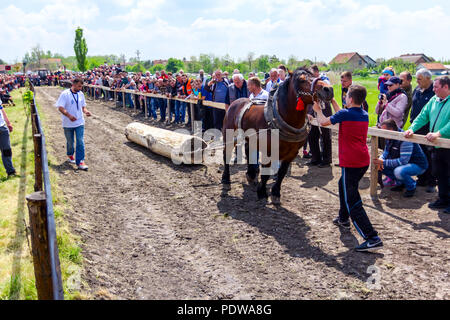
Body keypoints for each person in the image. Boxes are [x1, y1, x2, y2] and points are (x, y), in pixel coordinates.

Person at [314, 84, 383, 252]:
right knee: (342, 186)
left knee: (352, 199)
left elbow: (323, 122)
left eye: (346, 97)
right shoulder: (363, 114)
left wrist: (317, 109)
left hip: (351, 162)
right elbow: (341, 114)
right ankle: (343, 218)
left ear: (350, 99)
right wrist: (333, 100)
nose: (345, 99)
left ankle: (372, 237)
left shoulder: (346, 114)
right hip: (361, 161)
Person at [405, 76, 450, 214]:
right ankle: (443, 199)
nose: (433, 89)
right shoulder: (434, 100)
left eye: (436, 87)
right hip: (437, 146)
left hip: (447, 145)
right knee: (439, 173)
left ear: (446, 87)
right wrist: (412, 128)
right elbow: (423, 115)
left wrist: (438, 133)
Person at [374, 119, 428, 198]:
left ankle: (411, 186)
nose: (383, 134)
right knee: (381, 166)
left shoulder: (404, 139)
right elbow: (386, 152)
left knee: (398, 171)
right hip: (404, 164)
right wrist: (381, 160)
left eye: (384, 131)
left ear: (391, 130)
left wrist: (383, 162)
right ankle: (401, 183)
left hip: (418, 165)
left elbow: (403, 161)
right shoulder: (389, 137)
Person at [55, 78, 92, 171]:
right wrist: (69, 116)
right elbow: (60, 107)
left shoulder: (81, 94)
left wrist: (86, 111)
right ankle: (70, 154)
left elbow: (83, 107)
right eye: (79, 86)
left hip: (79, 122)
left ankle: (80, 161)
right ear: (74, 84)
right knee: (70, 142)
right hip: (68, 123)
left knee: (80, 141)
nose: (80, 88)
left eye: (81, 86)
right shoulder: (65, 94)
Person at [409, 68, 436, 193]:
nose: (417, 81)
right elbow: (413, 106)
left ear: (427, 79)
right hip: (416, 128)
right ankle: (421, 178)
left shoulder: (434, 92)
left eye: (419, 79)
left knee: (430, 156)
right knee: (419, 154)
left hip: (429, 130)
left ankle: (431, 181)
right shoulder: (417, 89)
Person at [0, 98, 16, 178]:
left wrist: (8, 123)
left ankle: (11, 172)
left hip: (2, 128)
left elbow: (1, 109)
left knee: (7, 151)